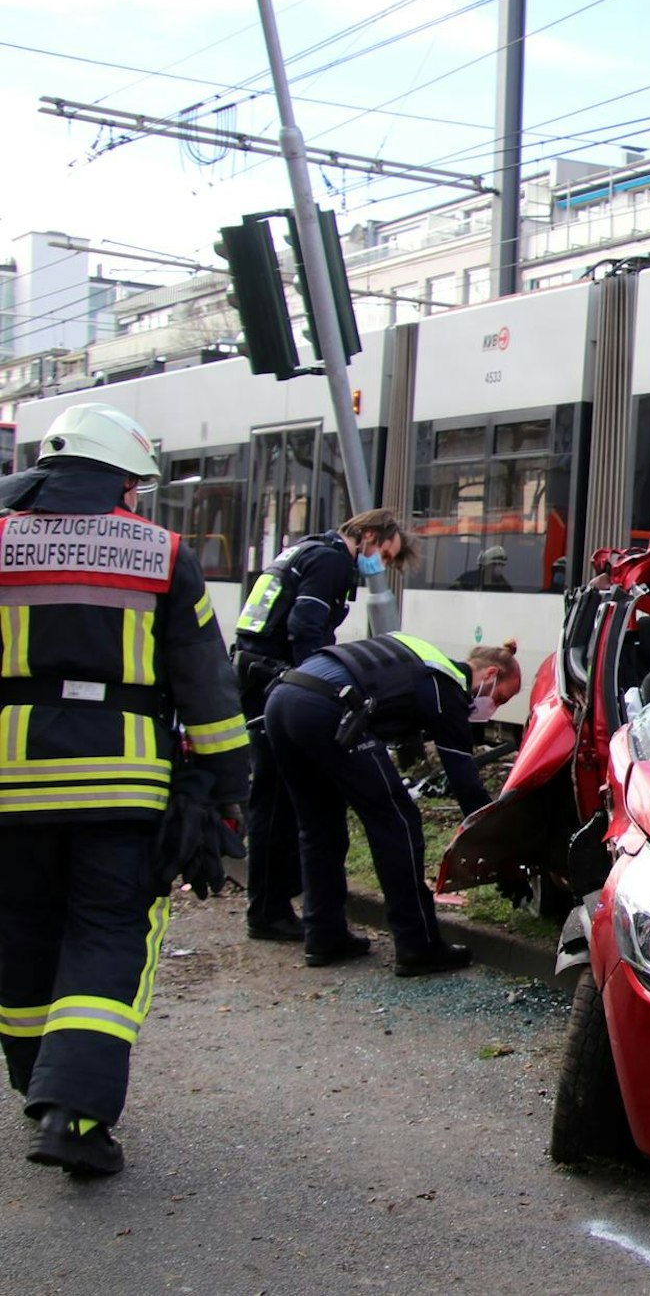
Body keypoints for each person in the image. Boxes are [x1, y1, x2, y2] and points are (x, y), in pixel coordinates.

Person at [0, 403, 250, 1177]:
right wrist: (226, 788)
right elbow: (206, 684)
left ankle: (36, 1079)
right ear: (122, 481)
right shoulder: (161, 552)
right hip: (123, 786)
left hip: (10, 782)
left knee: (20, 931)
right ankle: (73, 1113)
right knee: (109, 937)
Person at [260, 632, 521, 975]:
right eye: (500, 697)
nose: (494, 708)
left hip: (282, 699)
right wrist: (502, 849)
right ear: (490, 674)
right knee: (397, 822)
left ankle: (324, 935)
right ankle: (418, 945)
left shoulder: (425, 659)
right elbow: (466, 784)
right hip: (327, 707)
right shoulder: (446, 686)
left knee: (319, 827)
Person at [231, 508, 411, 944]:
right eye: (385, 555)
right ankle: (269, 911)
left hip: (258, 676)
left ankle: (269, 906)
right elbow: (305, 628)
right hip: (273, 681)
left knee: (272, 799)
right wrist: (319, 686)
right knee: (276, 803)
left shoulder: (309, 549)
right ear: (369, 535)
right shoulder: (331, 561)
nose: (381, 565)